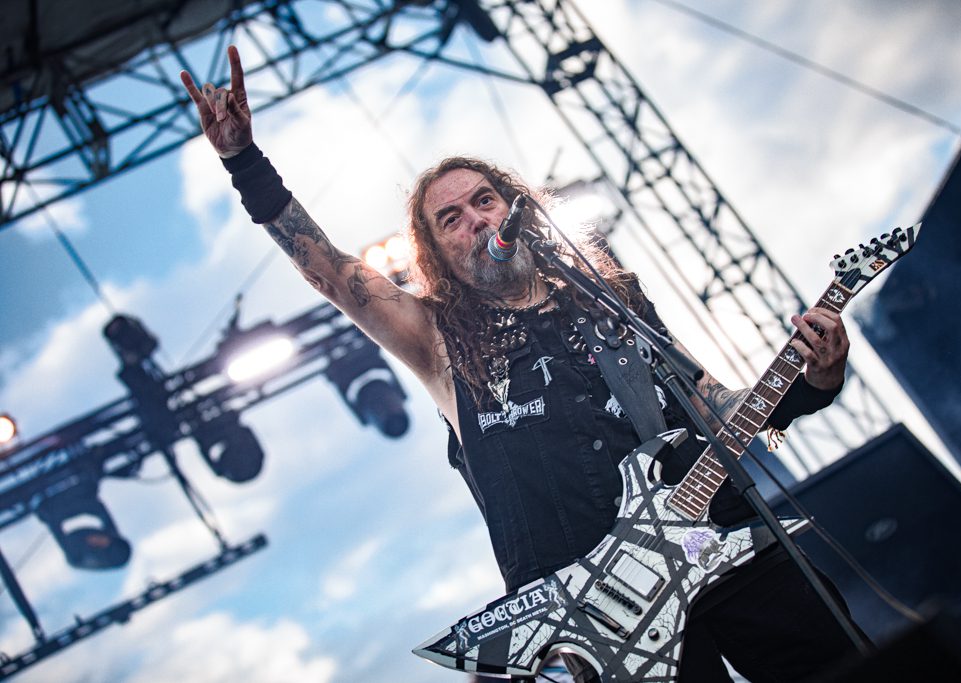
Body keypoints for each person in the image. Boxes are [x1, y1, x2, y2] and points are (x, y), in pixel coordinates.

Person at [181, 46, 862, 682]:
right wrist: (244, 161)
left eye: (485, 200)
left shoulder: (612, 296)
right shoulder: (437, 335)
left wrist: (814, 379)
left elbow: (709, 401)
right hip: (595, 607)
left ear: (515, 208)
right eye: (450, 218)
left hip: (714, 535)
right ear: (435, 252)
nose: (477, 220)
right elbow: (330, 271)